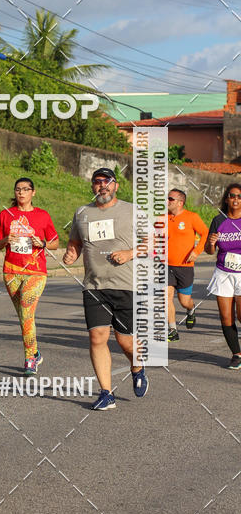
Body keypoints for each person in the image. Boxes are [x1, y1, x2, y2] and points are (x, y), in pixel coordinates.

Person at [62, 167, 149, 410]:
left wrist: (130, 253)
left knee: (125, 342)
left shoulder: (132, 210)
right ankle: (106, 393)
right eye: (97, 182)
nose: (102, 186)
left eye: (107, 182)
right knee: (97, 337)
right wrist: (71, 253)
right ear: (92, 187)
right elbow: (75, 242)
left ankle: (137, 367)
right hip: (94, 285)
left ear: (116, 186)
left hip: (126, 285)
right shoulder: (82, 213)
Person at [0, 177, 59, 373]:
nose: (21, 192)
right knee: (24, 316)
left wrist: (43, 243)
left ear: (33, 193)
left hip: (36, 271)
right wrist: (6, 239)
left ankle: (30, 358)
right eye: (18, 189)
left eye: (26, 189)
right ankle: (36, 352)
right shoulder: (6, 215)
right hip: (11, 271)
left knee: (26, 311)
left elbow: (55, 242)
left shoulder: (43, 216)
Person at [205, 183, 241, 369]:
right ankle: (236, 354)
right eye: (232, 195)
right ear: (226, 198)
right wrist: (212, 243)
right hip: (223, 273)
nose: (235, 199)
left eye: (239, 196)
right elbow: (209, 250)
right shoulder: (218, 220)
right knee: (226, 317)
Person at [167, 189, 208, 341]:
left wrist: (197, 252)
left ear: (180, 202)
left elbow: (205, 234)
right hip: (166, 266)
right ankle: (172, 330)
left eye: (170, 199)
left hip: (185, 267)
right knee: (166, 297)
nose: (167, 201)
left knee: (184, 301)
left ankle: (191, 310)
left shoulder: (192, 217)